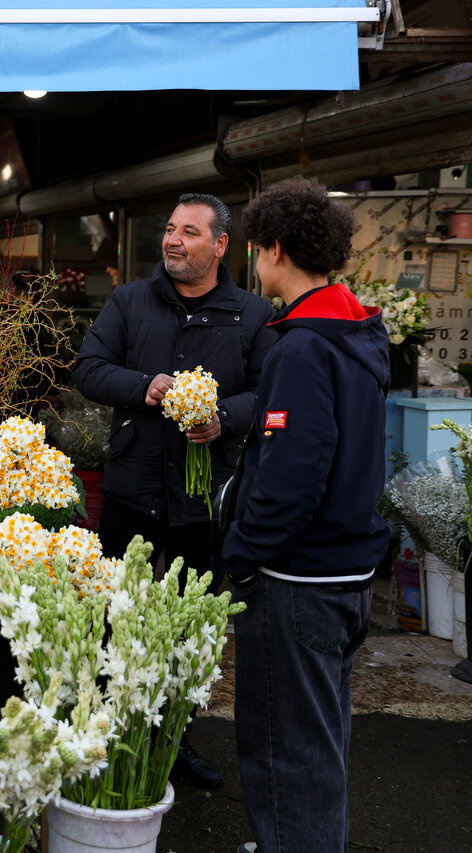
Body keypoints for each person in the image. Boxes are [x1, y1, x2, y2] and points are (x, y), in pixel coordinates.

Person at [71, 192, 277, 789]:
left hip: (204, 498)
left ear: (220, 246)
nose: (172, 240)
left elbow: (268, 394)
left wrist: (224, 419)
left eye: (189, 232)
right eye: (169, 229)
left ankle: (174, 740)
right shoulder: (131, 301)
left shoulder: (251, 314)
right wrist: (145, 386)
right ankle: (108, 732)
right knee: (116, 614)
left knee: (190, 627)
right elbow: (88, 367)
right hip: (132, 487)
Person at [222, 178, 389, 853]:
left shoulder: (302, 347)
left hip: (296, 582)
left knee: (285, 751)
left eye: (255, 249)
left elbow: (292, 478)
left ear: (275, 251)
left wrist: (239, 551)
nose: (253, 263)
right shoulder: (358, 336)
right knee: (319, 745)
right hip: (346, 574)